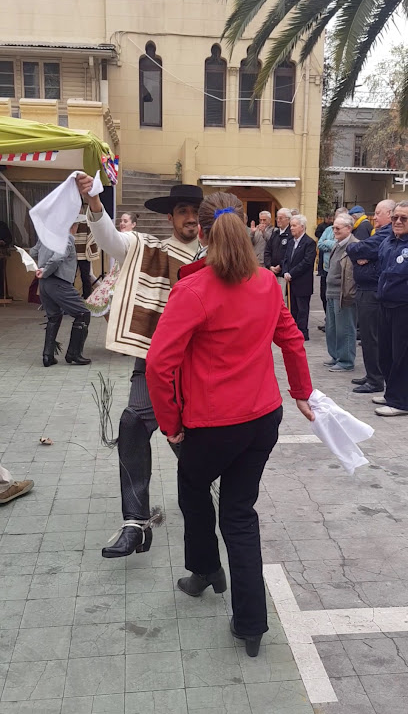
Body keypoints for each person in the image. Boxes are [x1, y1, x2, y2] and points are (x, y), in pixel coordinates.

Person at [145, 191, 314, 658]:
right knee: (239, 514)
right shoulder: (263, 281)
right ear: (242, 228)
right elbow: (292, 338)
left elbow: (159, 365)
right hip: (263, 418)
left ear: (201, 232)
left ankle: (204, 571)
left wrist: (170, 424)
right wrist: (301, 391)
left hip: (215, 424)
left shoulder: (193, 290)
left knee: (193, 490)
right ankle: (251, 624)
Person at [76, 176, 202, 557]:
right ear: (170, 218)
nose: (190, 219)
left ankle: (214, 502)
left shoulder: (213, 257)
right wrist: (96, 204)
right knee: (133, 426)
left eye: (195, 212)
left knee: (190, 444)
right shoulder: (148, 248)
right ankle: (135, 522)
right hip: (151, 360)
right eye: (183, 212)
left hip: (196, 365)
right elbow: (111, 240)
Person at [347, 199, 395, 393]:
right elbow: (358, 249)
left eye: (378, 213)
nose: (374, 217)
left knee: (371, 337)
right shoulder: (379, 233)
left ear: (389, 215)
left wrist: (362, 254)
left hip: (372, 291)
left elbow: (356, 248)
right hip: (366, 289)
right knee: (368, 337)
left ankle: (375, 380)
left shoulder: (386, 233)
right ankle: (372, 373)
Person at [30, 217, 92, 367]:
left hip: (44, 284)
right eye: (77, 225)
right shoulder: (67, 237)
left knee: (54, 317)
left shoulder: (46, 236)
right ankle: (73, 353)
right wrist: (45, 270)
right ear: (73, 225)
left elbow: (33, 252)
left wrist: (41, 267)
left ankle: (48, 356)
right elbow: (58, 258)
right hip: (58, 282)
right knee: (83, 313)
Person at [373, 201, 408, 417]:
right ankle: (391, 393)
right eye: (395, 217)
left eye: (404, 218)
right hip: (385, 303)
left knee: (401, 355)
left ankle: (400, 401)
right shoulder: (388, 242)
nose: (397, 221)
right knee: (385, 352)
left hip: (404, 306)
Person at [85, 212, 139, 319]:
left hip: (126, 276)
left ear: (133, 224)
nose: (122, 223)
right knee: (105, 303)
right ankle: (113, 329)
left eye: (125, 221)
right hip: (116, 274)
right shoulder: (121, 236)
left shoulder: (134, 238)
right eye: (121, 221)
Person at [324, 214, 358, 372]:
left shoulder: (354, 246)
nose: (334, 231)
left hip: (343, 293)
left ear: (348, 228)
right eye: (333, 228)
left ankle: (346, 360)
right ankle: (336, 356)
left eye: (337, 228)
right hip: (331, 292)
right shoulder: (337, 244)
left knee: (344, 327)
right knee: (332, 328)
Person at [282, 214, 316, 340]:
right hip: (290, 281)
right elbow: (285, 258)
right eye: (291, 226)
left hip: (302, 282)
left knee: (302, 309)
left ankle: (302, 332)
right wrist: (285, 271)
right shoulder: (291, 242)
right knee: (292, 308)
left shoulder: (309, 243)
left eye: (294, 226)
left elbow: (307, 262)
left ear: (302, 227)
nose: (291, 228)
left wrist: (292, 273)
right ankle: (293, 330)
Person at [316, 208, 347, 331]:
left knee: (337, 299)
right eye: (336, 218)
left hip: (339, 271)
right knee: (324, 296)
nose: (335, 228)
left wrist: (329, 243)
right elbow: (320, 244)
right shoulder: (328, 230)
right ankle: (328, 320)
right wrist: (332, 243)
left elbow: (338, 245)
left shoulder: (349, 233)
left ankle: (335, 323)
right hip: (326, 268)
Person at [264, 207, 292, 297]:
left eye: (281, 218)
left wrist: (280, 266)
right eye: (277, 218)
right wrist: (269, 266)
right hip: (272, 272)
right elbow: (267, 250)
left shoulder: (291, 234)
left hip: (283, 274)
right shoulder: (275, 233)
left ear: (288, 219)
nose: (278, 220)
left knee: (281, 298)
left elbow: (288, 253)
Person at [74, 215, 99, 298]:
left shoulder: (86, 220)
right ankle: (70, 299)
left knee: (86, 277)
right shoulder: (67, 218)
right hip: (71, 253)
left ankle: (87, 298)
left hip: (83, 254)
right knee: (70, 278)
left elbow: (91, 236)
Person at [0, 220, 12, 299]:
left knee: (1, 274)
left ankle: (2, 295)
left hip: (1, 254)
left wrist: (3, 242)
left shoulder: (2, 225)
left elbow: (9, 239)